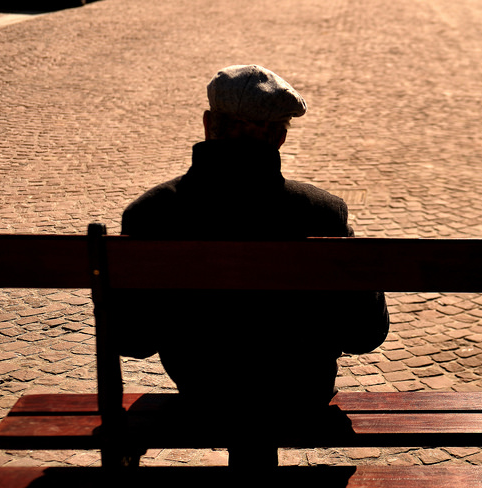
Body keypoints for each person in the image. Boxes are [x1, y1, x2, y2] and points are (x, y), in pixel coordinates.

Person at [117, 65, 389, 456]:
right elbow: (366, 334)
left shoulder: (150, 213)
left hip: (203, 396)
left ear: (209, 124)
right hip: (299, 400)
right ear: (279, 137)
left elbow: (132, 340)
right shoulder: (322, 213)